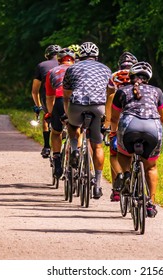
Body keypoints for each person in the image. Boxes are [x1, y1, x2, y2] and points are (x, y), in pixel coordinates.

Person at [110, 61, 163, 217]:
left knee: (122, 153)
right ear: (148, 78)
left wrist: (113, 134)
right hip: (152, 127)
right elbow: (162, 118)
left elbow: (114, 118)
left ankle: (127, 174)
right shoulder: (158, 92)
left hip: (129, 126)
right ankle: (150, 204)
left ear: (131, 76)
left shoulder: (122, 92)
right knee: (151, 167)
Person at [63, 42, 112, 199]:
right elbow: (111, 92)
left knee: (72, 126)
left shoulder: (72, 68)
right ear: (96, 56)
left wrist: (66, 113)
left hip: (77, 104)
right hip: (98, 107)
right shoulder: (106, 69)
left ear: (80, 56)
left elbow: (66, 94)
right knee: (97, 145)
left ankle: (75, 150)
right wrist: (108, 118)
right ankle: (97, 186)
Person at [105, 51, 138, 202]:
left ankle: (116, 189)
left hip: (119, 120)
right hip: (139, 120)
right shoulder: (140, 77)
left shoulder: (114, 76)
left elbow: (110, 97)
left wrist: (108, 126)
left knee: (114, 154)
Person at [44, 48, 76, 177]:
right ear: (74, 60)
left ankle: (57, 162)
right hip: (75, 102)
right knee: (76, 130)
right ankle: (76, 153)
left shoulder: (52, 72)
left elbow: (49, 96)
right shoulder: (78, 69)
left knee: (56, 132)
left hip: (59, 100)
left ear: (58, 60)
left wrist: (50, 113)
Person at [31, 44, 61, 158]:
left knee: (47, 116)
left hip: (48, 96)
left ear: (47, 56)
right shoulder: (68, 65)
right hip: (67, 96)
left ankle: (47, 146)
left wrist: (38, 106)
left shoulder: (41, 65)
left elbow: (35, 91)